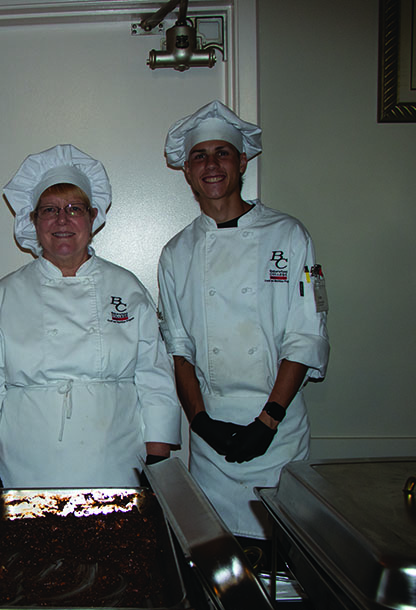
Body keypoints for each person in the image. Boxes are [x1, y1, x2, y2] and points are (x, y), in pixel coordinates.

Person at [157, 101, 330, 540]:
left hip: (278, 430)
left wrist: (268, 419)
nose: (211, 164)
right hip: (212, 441)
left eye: (222, 153)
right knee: (219, 564)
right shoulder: (176, 253)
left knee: (284, 559)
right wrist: (200, 423)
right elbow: (179, 349)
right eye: (200, 155)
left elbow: (305, 335)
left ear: (243, 161)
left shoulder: (289, 235)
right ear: (187, 170)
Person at [0, 144, 181, 492]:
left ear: (93, 217)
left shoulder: (127, 287)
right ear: (33, 220)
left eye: (74, 209)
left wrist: (157, 462)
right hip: (26, 468)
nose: (62, 220)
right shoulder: (5, 295)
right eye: (49, 210)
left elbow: (155, 379)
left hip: (117, 464)